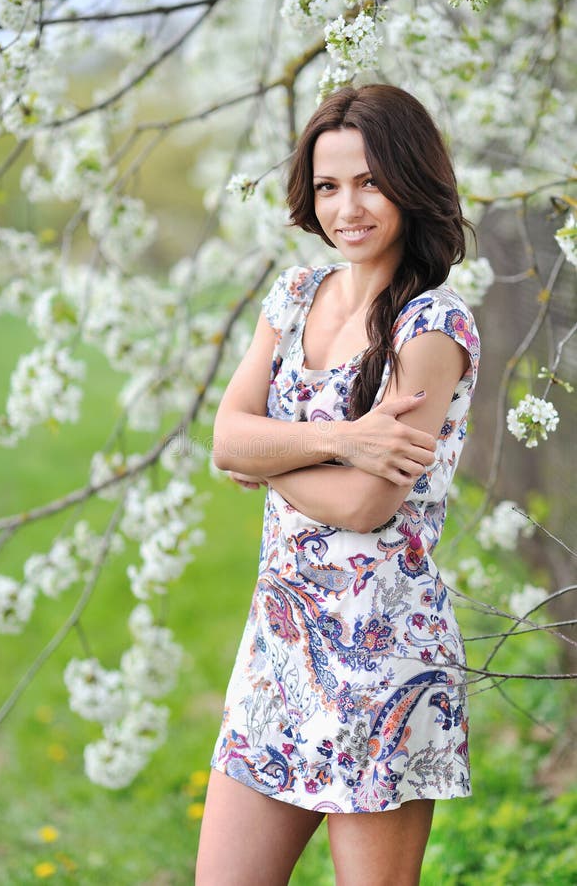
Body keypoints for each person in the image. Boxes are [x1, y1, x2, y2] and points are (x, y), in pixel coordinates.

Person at [196, 84, 480, 886]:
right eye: (327, 185)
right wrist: (339, 440)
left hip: (382, 661)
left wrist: (266, 457)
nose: (345, 206)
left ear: (409, 181)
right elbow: (223, 435)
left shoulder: (433, 325)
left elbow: (365, 505)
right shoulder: (292, 295)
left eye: (368, 181)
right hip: (277, 652)